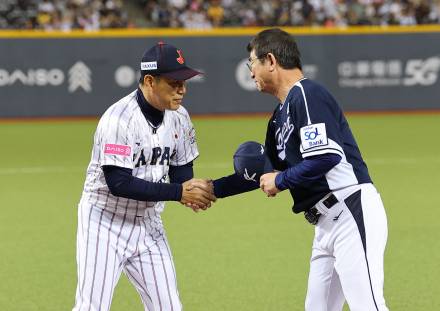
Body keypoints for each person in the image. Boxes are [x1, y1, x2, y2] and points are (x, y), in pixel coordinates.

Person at [212, 28, 389, 310]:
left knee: (368, 306)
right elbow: (264, 173)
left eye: (252, 63)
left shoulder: (307, 95)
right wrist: (212, 189)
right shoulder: (278, 117)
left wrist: (281, 180)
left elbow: (325, 158)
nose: (250, 72)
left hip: (350, 211)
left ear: (270, 60)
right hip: (324, 225)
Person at [72, 42, 216, 311]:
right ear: (150, 80)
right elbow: (119, 183)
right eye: (174, 82)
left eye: (184, 81)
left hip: (148, 223)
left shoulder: (180, 118)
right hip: (104, 222)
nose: (182, 89)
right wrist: (179, 193)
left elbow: (182, 173)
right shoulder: (118, 119)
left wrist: (193, 192)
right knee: (92, 307)